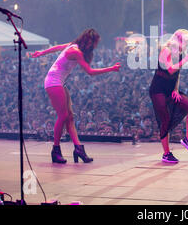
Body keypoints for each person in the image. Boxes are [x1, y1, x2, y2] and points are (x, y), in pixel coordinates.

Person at [32, 28, 121, 164]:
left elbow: (57, 48)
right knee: (63, 116)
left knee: (70, 117)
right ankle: (55, 150)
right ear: (89, 42)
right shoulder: (76, 51)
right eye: (95, 43)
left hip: (60, 82)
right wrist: (111, 69)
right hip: (53, 82)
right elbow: (90, 72)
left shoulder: (72, 45)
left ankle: (78, 149)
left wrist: (41, 53)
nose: (95, 46)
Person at [149, 29, 188, 163]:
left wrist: (176, 89)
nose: (187, 44)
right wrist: (187, 59)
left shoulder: (181, 54)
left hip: (170, 90)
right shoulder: (166, 50)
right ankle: (166, 153)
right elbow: (171, 69)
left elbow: (177, 74)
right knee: (165, 119)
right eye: (185, 41)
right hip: (158, 90)